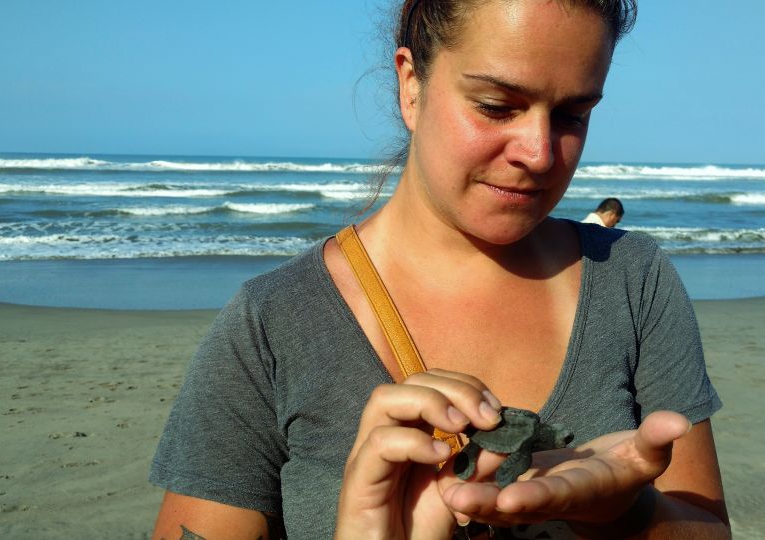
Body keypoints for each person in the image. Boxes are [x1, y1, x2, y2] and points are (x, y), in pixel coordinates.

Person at [149, 1, 730, 538]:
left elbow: (707, 526)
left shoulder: (631, 277)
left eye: (573, 114)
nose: (540, 153)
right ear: (410, 85)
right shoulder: (272, 324)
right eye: (496, 106)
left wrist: (625, 510)